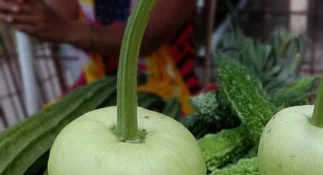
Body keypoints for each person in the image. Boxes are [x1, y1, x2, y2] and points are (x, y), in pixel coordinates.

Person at [0, 0, 202, 114]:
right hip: (94, 88)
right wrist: (23, 12)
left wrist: (67, 30)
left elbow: (148, 38)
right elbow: (53, 19)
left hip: (168, 95)